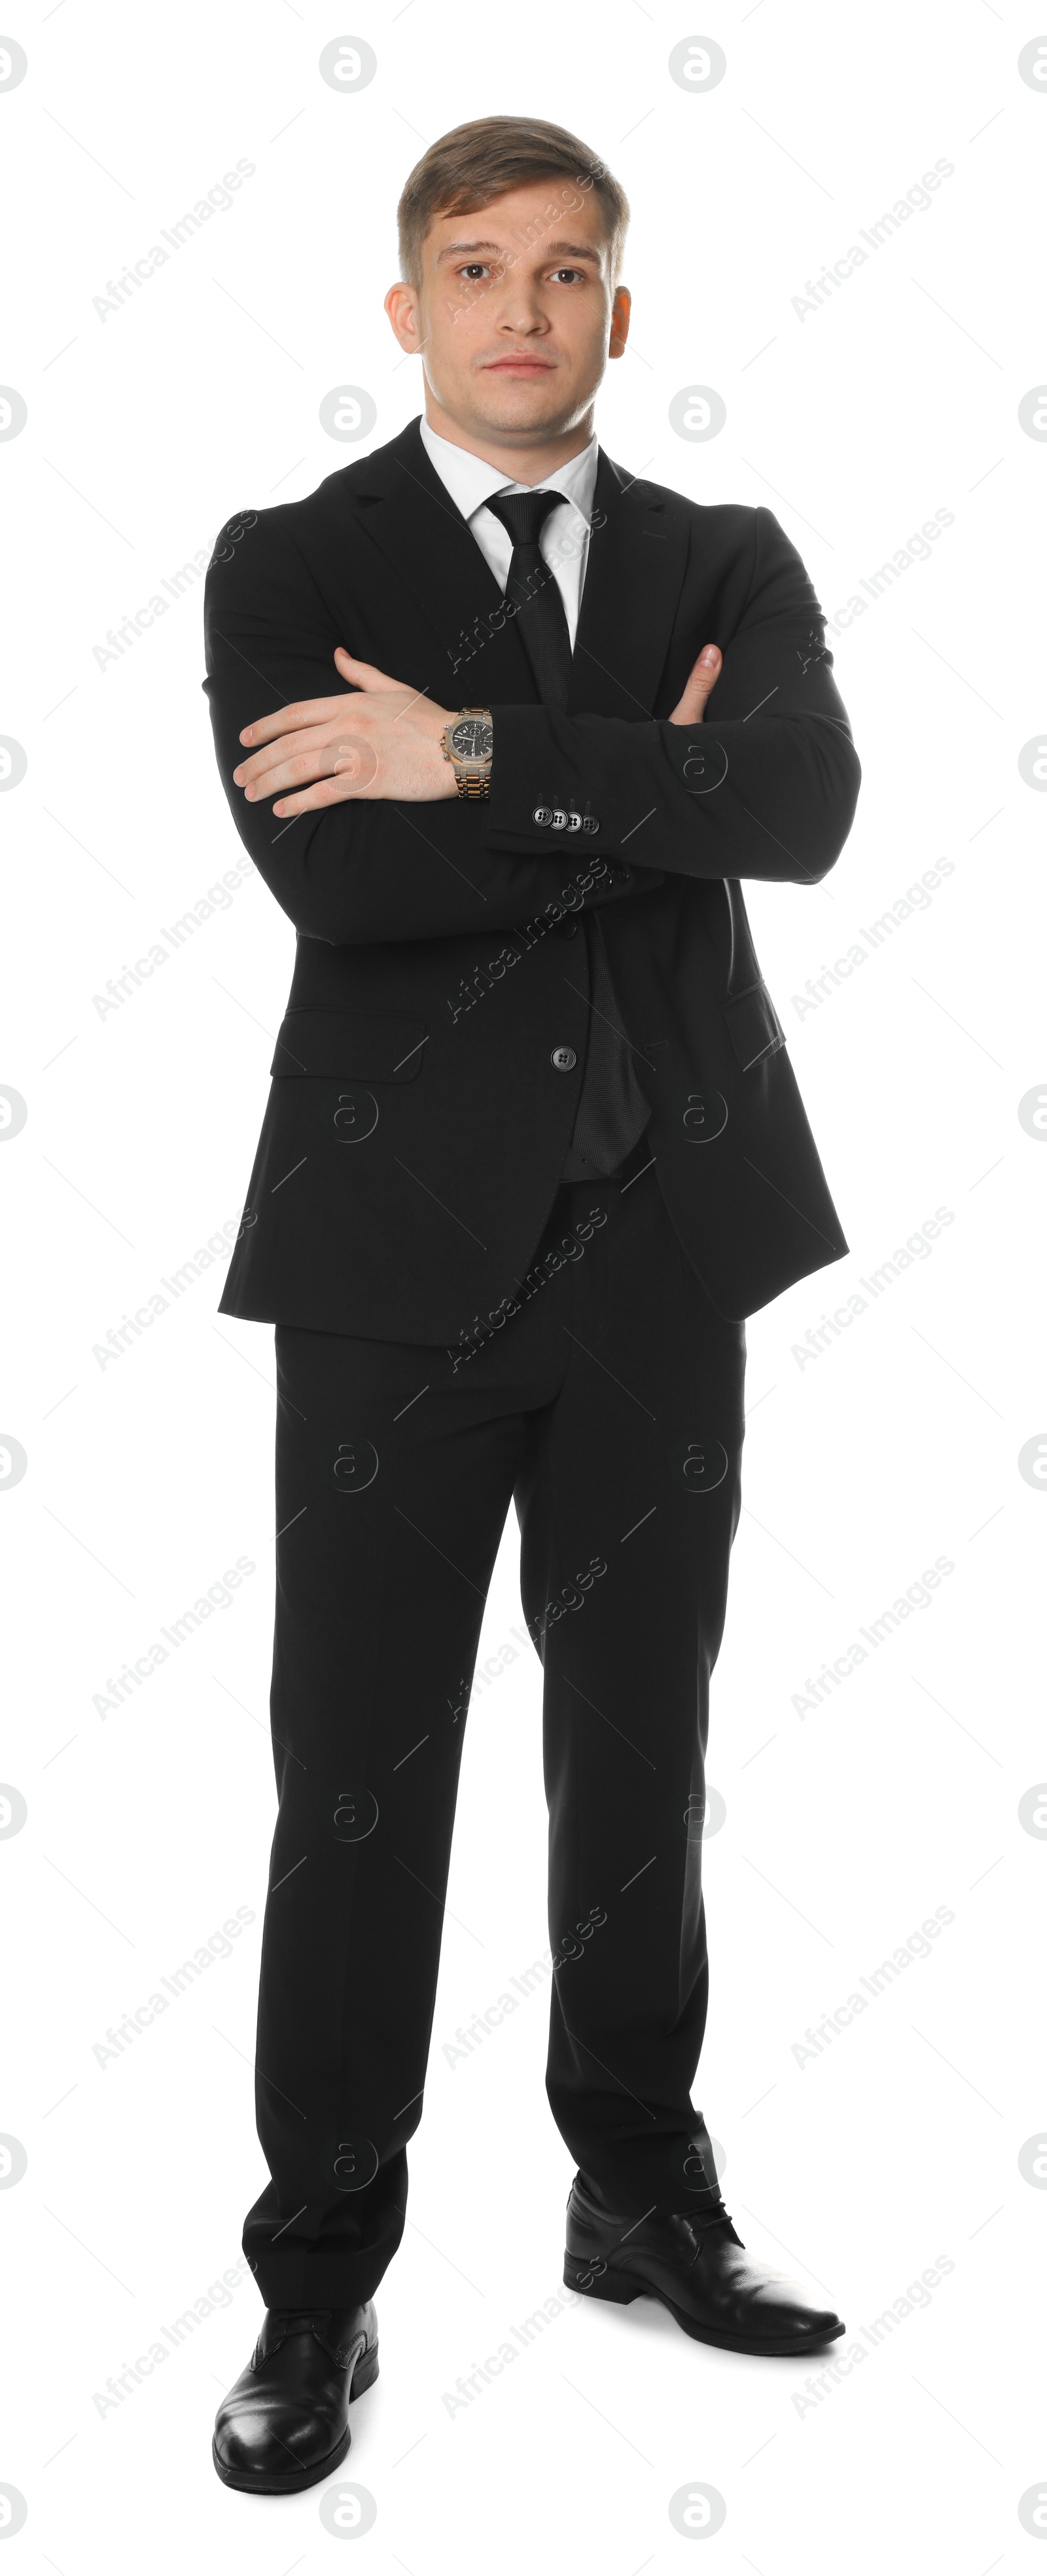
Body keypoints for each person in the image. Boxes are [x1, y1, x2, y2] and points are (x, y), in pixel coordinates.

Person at [203, 114, 861, 2495]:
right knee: (355, 1781)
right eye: (472, 270)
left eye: (564, 271)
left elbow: (795, 807)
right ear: (407, 308)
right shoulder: (294, 560)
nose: (517, 308)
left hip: (665, 1245)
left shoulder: (726, 549)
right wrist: (634, 783)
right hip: (393, 1277)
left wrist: (468, 745)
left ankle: (636, 2183)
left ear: (618, 311)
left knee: (640, 1758)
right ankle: (319, 2277)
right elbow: (335, 881)